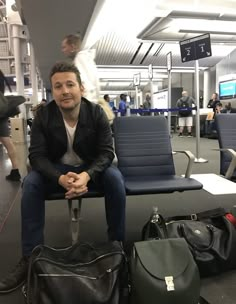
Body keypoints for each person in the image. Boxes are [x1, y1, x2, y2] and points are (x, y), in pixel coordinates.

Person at [0, 61, 126, 293]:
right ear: (53, 92)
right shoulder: (44, 116)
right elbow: (37, 156)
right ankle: (31, 257)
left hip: (90, 169)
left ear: (81, 88)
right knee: (31, 183)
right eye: (58, 86)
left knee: (115, 179)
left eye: (70, 84)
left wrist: (87, 176)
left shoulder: (96, 113)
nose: (65, 90)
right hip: (56, 171)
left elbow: (107, 152)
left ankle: (117, 248)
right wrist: (59, 178)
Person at [61, 33, 100, 103]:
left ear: (72, 47)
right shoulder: (87, 59)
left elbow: (83, 84)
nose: (63, 50)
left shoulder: (79, 59)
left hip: (87, 102)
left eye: (64, 47)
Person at [0, 69, 21, 181]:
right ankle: (15, 170)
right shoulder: (1, 75)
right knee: (8, 143)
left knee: (8, 143)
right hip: (1, 113)